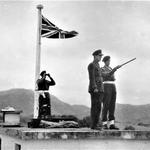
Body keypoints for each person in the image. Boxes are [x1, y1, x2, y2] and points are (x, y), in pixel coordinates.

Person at [101, 56, 120, 130]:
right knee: (106, 104)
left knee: (112, 105)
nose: (109, 62)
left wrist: (114, 69)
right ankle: (104, 123)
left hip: (113, 86)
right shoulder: (102, 69)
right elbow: (107, 75)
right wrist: (115, 69)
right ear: (105, 61)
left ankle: (112, 124)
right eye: (108, 61)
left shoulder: (110, 68)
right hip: (106, 86)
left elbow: (113, 78)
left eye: (109, 61)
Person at [88, 49, 104, 130]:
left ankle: (96, 124)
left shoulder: (98, 65)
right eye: (99, 56)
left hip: (100, 89)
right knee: (95, 107)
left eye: (101, 56)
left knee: (98, 107)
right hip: (95, 89)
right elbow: (92, 78)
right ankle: (94, 125)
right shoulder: (92, 65)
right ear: (95, 56)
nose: (101, 57)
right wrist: (94, 88)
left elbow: (102, 77)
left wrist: (114, 70)